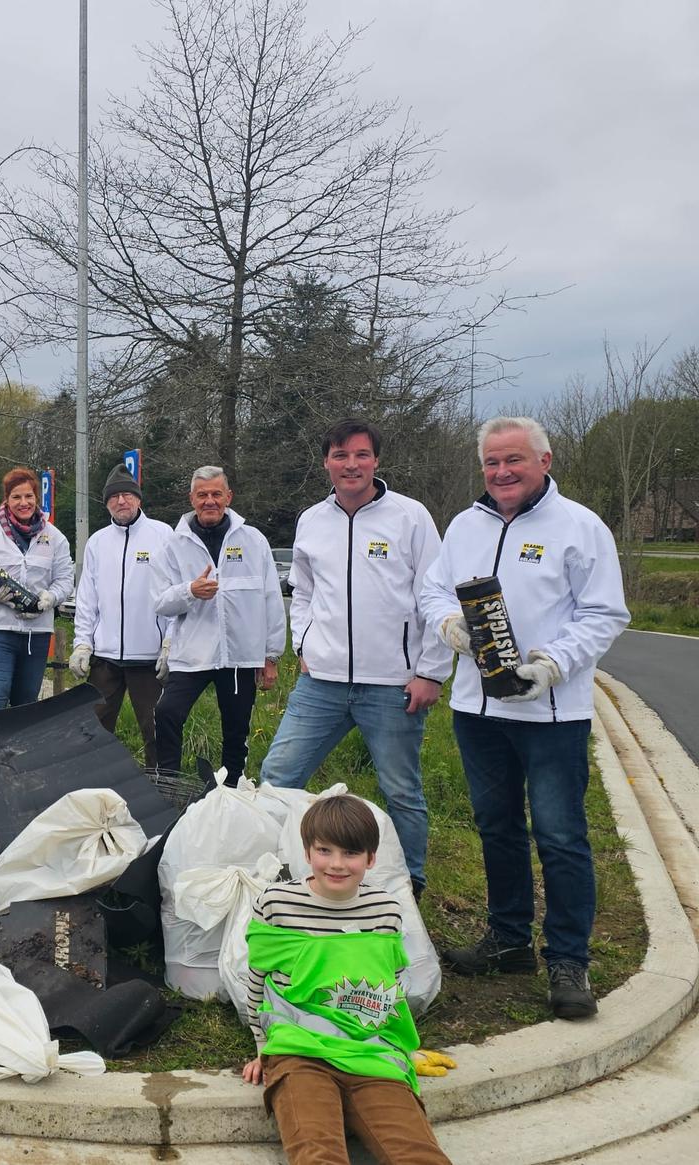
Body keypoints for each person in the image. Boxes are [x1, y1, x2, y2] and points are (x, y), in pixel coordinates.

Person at [421, 416, 629, 1020]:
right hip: (477, 709)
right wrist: (446, 624)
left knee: (561, 837)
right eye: (492, 462)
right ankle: (509, 940)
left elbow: (605, 613)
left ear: (544, 459)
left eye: (514, 460)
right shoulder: (464, 526)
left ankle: (568, 958)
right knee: (497, 827)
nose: (502, 472)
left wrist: (556, 663)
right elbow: (435, 589)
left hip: (552, 713)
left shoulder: (580, 527)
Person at [259, 420, 452, 896]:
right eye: (341, 455)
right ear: (326, 461)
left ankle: (409, 887)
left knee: (401, 793)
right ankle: (278, 873)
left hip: (391, 686)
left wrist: (430, 671)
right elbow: (301, 591)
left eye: (361, 455)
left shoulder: (410, 517)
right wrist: (303, 642)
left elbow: (437, 596)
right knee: (277, 779)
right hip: (320, 683)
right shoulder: (312, 520)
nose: (351, 465)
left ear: (376, 462)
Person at [241, 794, 453, 1165]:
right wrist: (263, 1046)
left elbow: (391, 987)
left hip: (371, 1051)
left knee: (418, 1153)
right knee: (316, 1151)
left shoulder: (385, 910)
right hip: (299, 1051)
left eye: (351, 853)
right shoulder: (276, 902)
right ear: (307, 852)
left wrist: (402, 1047)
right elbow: (258, 978)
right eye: (325, 850)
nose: (336, 864)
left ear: (371, 859)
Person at [152, 466, 285, 781]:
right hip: (192, 653)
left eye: (216, 494)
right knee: (166, 713)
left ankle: (232, 788)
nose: (209, 501)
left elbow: (271, 599)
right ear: (192, 499)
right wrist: (190, 591)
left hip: (240, 654)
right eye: (202, 495)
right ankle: (168, 782)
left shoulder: (253, 540)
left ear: (228, 497)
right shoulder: (174, 545)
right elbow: (159, 602)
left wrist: (271, 655)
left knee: (236, 729)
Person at [69, 462, 172, 767]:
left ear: (139, 499)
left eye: (127, 495)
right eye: (114, 497)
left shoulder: (162, 535)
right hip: (106, 657)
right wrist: (82, 643)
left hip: (148, 658)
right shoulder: (98, 542)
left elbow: (175, 595)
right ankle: (91, 785)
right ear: (107, 503)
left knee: (155, 728)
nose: (121, 501)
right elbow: (87, 598)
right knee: (94, 728)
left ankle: (162, 786)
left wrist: (170, 644)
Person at [0, 466, 75, 711]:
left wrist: (50, 598)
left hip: (36, 631)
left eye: (29, 496)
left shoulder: (55, 537)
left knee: (26, 703)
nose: (24, 503)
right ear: (6, 499)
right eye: (16, 497)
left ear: (37, 498)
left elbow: (65, 579)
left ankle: (19, 751)